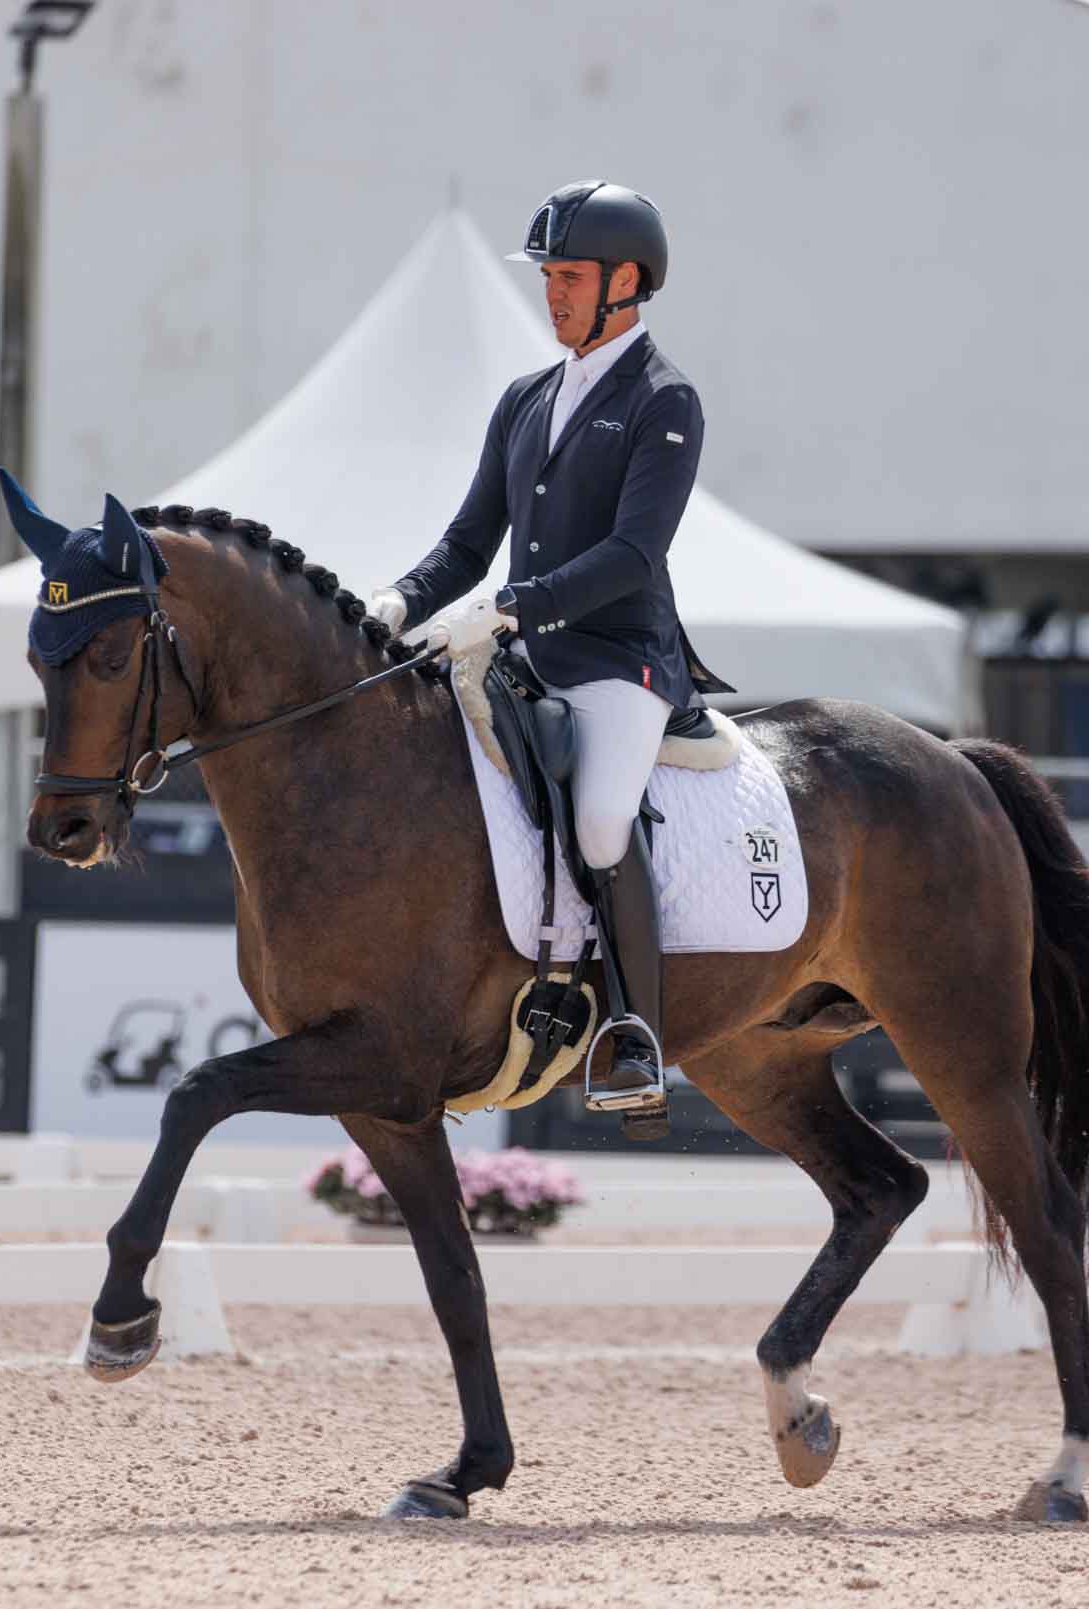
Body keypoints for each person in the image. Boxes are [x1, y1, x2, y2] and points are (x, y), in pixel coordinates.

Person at [367, 179, 730, 1123]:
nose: (553, 293)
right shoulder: (524, 401)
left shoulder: (666, 399)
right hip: (524, 657)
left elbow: (633, 553)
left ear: (627, 282)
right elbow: (466, 541)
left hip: (620, 658)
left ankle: (634, 1035)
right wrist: (394, 602)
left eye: (570, 276)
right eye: (550, 276)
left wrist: (514, 608)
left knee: (605, 821)